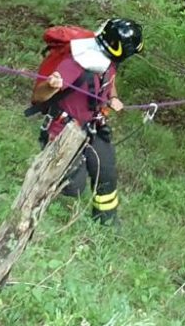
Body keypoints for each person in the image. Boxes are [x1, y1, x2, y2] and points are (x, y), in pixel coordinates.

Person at [31, 18, 143, 224]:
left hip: (93, 126)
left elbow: (110, 80)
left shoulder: (108, 60)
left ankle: (107, 220)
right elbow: (38, 96)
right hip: (64, 130)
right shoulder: (77, 62)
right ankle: (36, 191)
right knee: (74, 187)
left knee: (106, 170)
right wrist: (51, 85)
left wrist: (113, 97)